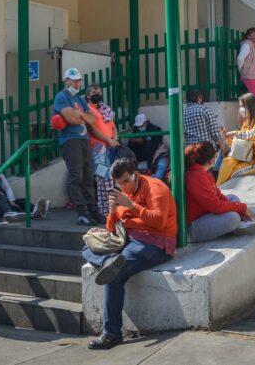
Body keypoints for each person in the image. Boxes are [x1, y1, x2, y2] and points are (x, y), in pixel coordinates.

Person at [82, 158, 177, 350]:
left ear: (136, 173)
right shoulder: (120, 193)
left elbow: (158, 221)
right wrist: (112, 210)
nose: (123, 186)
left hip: (155, 242)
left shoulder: (155, 187)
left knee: (113, 275)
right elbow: (111, 228)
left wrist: (132, 205)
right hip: (126, 239)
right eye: (119, 183)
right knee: (87, 246)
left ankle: (111, 334)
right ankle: (109, 260)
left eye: (126, 181)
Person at [52, 67, 105, 226]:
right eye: (74, 80)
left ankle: (92, 209)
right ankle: (82, 212)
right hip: (70, 140)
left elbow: (93, 119)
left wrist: (79, 115)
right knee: (76, 177)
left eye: (79, 80)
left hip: (83, 139)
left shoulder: (81, 100)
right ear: (66, 81)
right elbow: (70, 118)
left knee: (89, 177)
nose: (77, 83)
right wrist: (82, 117)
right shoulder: (61, 97)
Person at [185, 142, 255, 242]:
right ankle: (236, 224)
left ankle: (237, 225)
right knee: (233, 217)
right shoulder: (196, 176)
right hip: (193, 228)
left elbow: (219, 196)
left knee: (232, 198)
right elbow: (216, 206)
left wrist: (237, 208)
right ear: (212, 160)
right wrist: (241, 208)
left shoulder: (204, 173)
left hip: (205, 213)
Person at [0, 155, 49, 224]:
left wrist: (11, 200)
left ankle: (37, 209)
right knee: (0, 198)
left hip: (3, 200)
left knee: (20, 202)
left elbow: (7, 187)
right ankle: (14, 213)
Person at [217, 93, 255, 185]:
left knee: (233, 173)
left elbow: (253, 134)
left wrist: (235, 133)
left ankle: (219, 191)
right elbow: (242, 145)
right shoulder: (246, 121)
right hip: (248, 156)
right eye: (240, 106)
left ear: (250, 105)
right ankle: (217, 189)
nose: (241, 109)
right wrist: (227, 139)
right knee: (227, 162)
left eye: (242, 106)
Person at [86, 84, 121, 216]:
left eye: (99, 92)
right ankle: (105, 209)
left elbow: (112, 125)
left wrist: (115, 138)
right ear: (88, 95)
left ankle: (106, 209)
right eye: (94, 92)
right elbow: (93, 130)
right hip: (97, 147)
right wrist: (108, 140)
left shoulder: (104, 109)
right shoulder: (88, 109)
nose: (98, 95)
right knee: (104, 178)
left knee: (108, 178)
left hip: (110, 146)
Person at [237, 27, 255, 108]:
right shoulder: (247, 45)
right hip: (251, 75)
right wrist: (242, 71)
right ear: (249, 36)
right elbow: (240, 58)